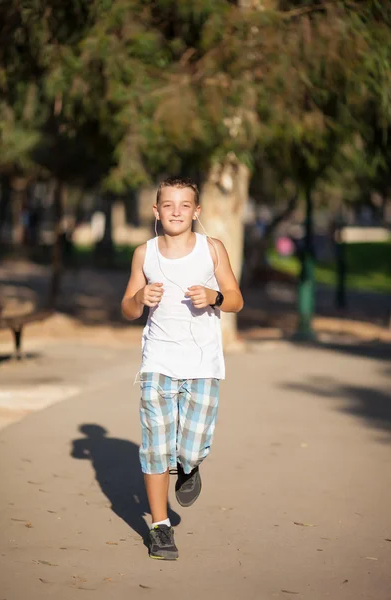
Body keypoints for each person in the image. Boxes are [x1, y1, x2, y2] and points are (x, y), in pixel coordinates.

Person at [121, 177, 243, 560]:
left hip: (203, 362)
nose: (176, 211)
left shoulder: (213, 249)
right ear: (156, 211)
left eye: (184, 205)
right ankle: (160, 527)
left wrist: (215, 297)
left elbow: (237, 300)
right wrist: (140, 297)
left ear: (196, 211)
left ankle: (189, 466)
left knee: (189, 447)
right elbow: (126, 307)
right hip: (157, 360)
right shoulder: (145, 254)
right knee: (156, 446)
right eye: (168, 205)